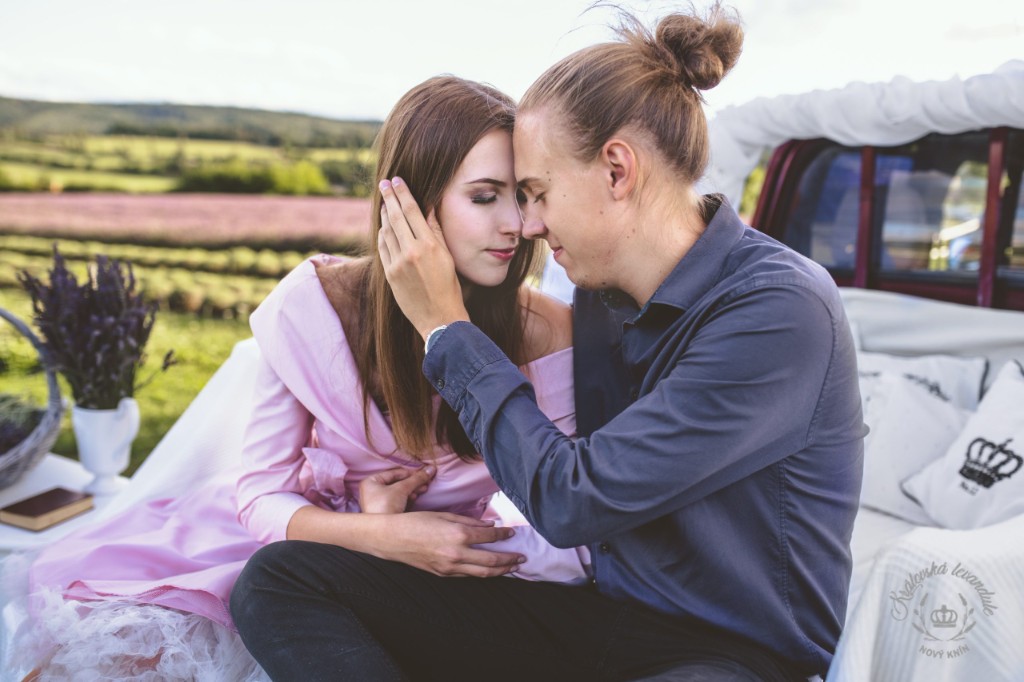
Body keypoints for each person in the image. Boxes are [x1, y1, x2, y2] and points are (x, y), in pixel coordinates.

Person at [231, 4, 865, 682]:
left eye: (535, 193)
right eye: (501, 197)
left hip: (726, 650)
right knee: (280, 580)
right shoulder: (600, 299)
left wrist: (448, 329)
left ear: (617, 170)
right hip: (598, 618)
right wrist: (386, 534)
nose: (526, 224)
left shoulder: (777, 310)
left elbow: (572, 499)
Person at [14, 75, 587, 681]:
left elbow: (570, 523)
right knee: (107, 657)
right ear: (409, 206)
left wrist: (430, 549)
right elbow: (260, 495)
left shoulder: (546, 332)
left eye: (521, 196)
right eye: (484, 197)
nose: (516, 226)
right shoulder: (317, 304)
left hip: (431, 574)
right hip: (276, 543)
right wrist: (381, 536)